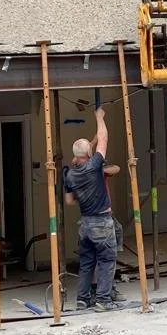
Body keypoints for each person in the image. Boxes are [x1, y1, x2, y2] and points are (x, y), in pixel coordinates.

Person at [64, 107, 123, 311]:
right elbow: (103, 138)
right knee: (107, 261)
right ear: (89, 154)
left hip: (85, 224)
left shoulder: (70, 175)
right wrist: (99, 118)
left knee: (87, 262)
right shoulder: (94, 166)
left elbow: (70, 201)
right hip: (102, 222)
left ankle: (82, 299)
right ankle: (103, 300)